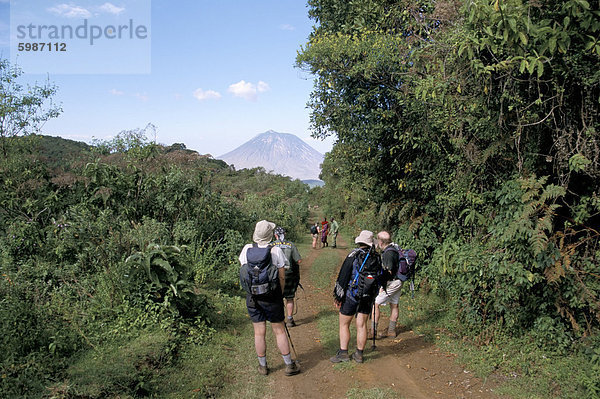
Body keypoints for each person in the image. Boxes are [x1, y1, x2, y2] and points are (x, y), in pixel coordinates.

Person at [238, 220, 300, 376]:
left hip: (252, 297)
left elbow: (244, 272)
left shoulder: (247, 249)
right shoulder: (276, 250)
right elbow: (281, 276)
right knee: (279, 331)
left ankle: (263, 366)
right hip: (272, 297)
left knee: (259, 332)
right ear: (271, 235)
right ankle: (288, 365)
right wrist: (280, 293)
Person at [330, 230, 381, 363]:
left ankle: (343, 353)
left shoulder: (353, 255)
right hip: (367, 297)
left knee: (344, 324)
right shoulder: (376, 257)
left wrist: (338, 296)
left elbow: (343, 277)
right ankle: (359, 354)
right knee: (362, 325)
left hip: (351, 296)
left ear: (360, 242)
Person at [370, 231, 402, 339]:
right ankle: (391, 331)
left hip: (392, 282)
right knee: (394, 304)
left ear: (381, 242)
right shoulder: (394, 247)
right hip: (399, 281)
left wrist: (382, 286)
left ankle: (373, 331)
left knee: (376, 304)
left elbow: (389, 272)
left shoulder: (388, 253)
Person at [272, 226, 302, 327]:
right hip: (289, 275)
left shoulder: (271, 245)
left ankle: (279, 319)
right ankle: (289, 319)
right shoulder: (291, 245)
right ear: (284, 234)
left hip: (275, 276)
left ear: (275, 235)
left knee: (277, 298)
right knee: (289, 298)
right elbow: (298, 260)